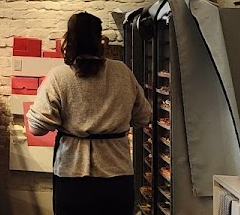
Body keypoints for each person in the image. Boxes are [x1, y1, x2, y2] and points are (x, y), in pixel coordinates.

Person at [26, 12, 152, 215]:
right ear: (100, 39)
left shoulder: (60, 76)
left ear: (68, 40)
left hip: (73, 175)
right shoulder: (122, 72)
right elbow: (143, 116)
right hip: (118, 175)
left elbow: (36, 128)